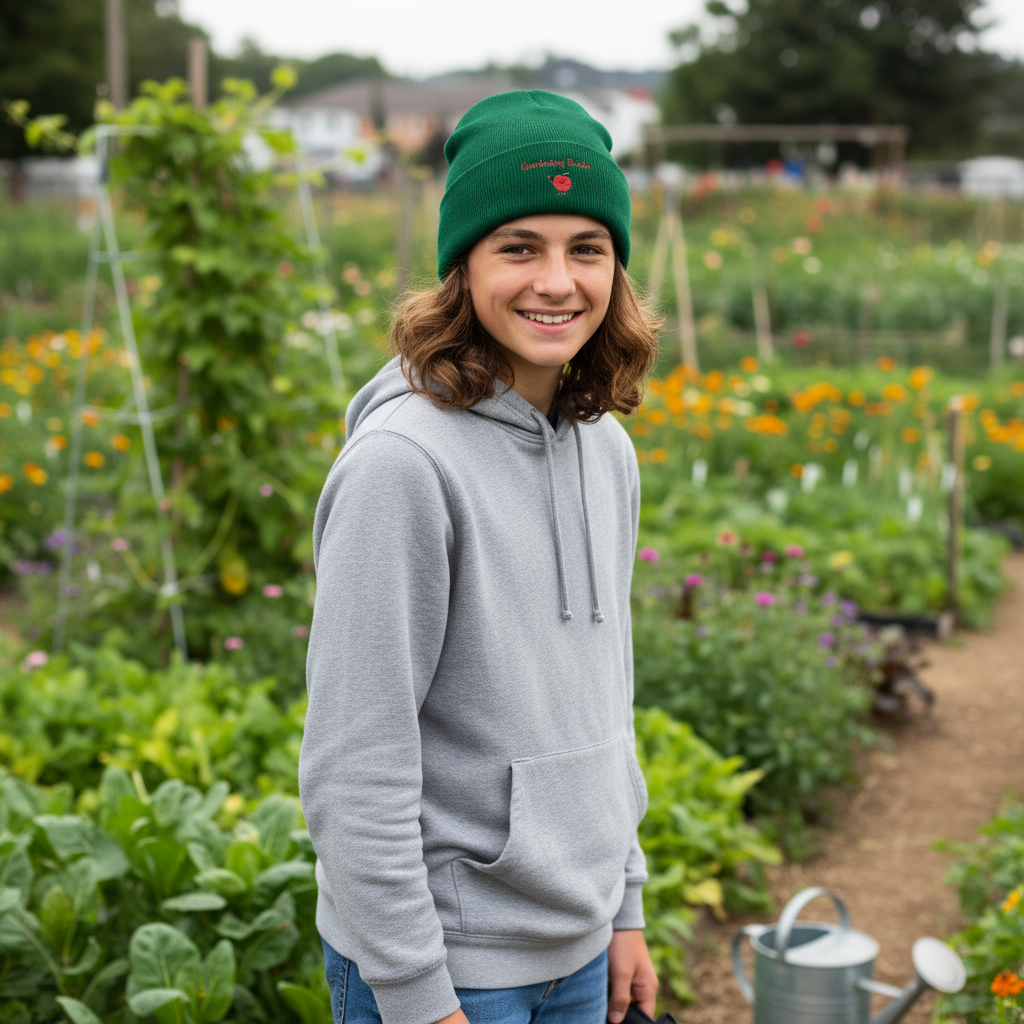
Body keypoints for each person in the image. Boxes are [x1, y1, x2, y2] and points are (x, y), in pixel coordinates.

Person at [299, 90, 663, 1024]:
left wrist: (623, 901)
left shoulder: (604, 450)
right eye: (519, 247)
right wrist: (419, 996)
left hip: (580, 945)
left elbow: (602, 691)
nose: (557, 280)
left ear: (617, 267)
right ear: (463, 266)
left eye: (587, 247)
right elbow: (355, 762)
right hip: (448, 965)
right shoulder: (402, 466)